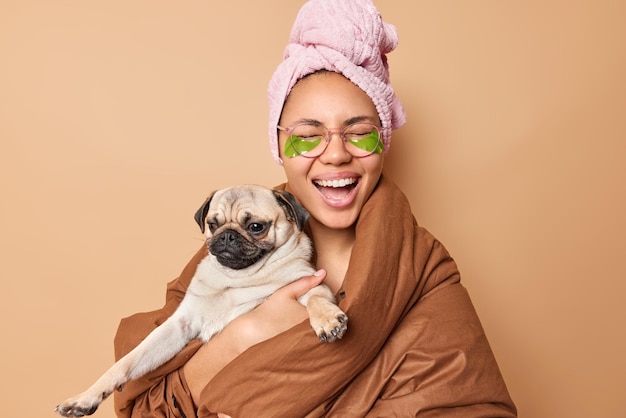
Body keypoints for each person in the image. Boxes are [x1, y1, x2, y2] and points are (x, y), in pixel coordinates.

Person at [113, 0, 517, 416]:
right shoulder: (232, 248)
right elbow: (149, 406)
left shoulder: (423, 267)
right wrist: (243, 336)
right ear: (279, 148)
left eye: (360, 133)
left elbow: (471, 404)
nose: (336, 154)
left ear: (382, 144)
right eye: (307, 136)